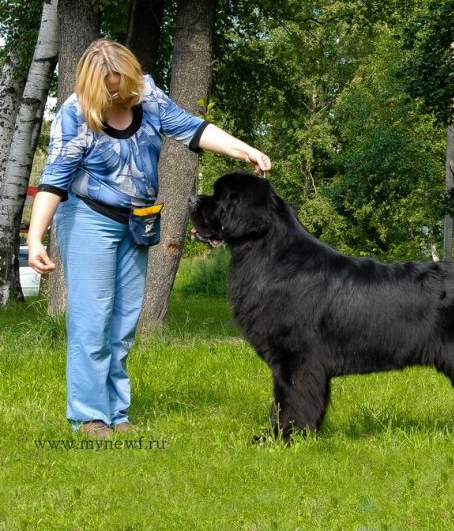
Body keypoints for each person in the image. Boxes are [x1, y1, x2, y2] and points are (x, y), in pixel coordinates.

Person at [28, 38, 271, 438]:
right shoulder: (74, 114)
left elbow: (192, 129)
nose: (121, 96)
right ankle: (88, 417)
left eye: (124, 86)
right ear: (92, 86)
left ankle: (117, 414)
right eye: (110, 90)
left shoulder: (147, 93)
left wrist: (243, 150)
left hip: (136, 222)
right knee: (92, 321)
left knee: (123, 322)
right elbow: (53, 179)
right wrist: (36, 238)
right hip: (89, 217)